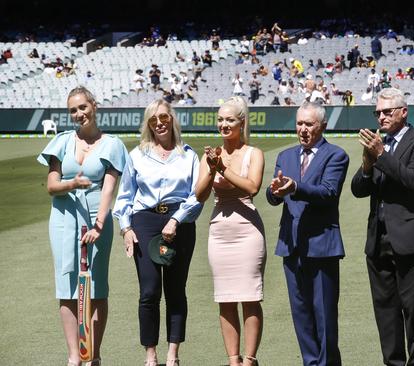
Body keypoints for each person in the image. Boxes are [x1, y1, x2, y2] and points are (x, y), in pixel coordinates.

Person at [38, 86, 128, 366]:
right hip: (63, 221)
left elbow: (108, 190)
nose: (78, 114)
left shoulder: (112, 144)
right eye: (73, 110)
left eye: (83, 107)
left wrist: (99, 225)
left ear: (94, 106)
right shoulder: (62, 142)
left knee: (97, 288)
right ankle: (74, 357)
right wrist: (72, 184)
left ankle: (93, 355)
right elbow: (52, 186)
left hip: (95, 221)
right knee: (66, 287)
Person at [113, 100, 203, 366]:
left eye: (163, 117)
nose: (159, 123)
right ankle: (150, 355)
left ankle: (173, 354)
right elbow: (125, 196)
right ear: (148, 124)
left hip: (181, 222)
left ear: (172, 119)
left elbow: (196, 196)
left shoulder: (189, 155)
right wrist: (126, 228)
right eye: (153, 120)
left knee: (176, 290)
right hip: (145, 221)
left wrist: (176, 220)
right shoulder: (137, 155)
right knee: (149, 291)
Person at [351, 88, 414, 366]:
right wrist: (367, 163)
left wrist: (381, 154)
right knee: (386, 311)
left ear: (403, 112)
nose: (381, 116)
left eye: (387, 111)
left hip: (409, 238)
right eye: (377, 112)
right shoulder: (378, 143)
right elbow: (358, 190)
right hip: (378, 239)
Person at [266, 102, 350, 366]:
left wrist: (295, 187)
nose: (303, 130)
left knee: (324, 316)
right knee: (301, 315)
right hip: (291, 247)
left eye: (309, 124)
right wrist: (275, 191)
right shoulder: (286, 156)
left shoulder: (336, 155)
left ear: (322, 126)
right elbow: (273, 196)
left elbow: (328, 193)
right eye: (299, 124)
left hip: (321, 246)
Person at [194, 97, 266, 366]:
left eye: (230, 120)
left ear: (242, 123)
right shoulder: (210, 154)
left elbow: (252, 187)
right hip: (219, 232)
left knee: (249, 296)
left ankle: (249, 359)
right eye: (220, 120)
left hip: (247, 229)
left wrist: (222, 167)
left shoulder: (253, 153)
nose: (224, 125)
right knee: (225, 298)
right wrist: (212, 170)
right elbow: (199, 195)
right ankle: (232, 360)